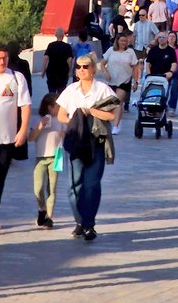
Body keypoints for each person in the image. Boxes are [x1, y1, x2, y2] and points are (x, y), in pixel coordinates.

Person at [56, 54, 118, 241]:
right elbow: (60, 115)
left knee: (91, 184)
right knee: (74, 184)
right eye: (79, 67)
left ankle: (89, 224)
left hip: (96, 141)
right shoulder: (70, 90)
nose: (82, 69)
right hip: (76, 141)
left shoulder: (102, 90)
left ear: (93, 69)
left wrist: (90, 111)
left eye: (86, 66)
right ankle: (79, 221)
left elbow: (111, 116)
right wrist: (74, 122)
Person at [0, 42, 31, 232]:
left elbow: (25, 106)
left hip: (6, 139)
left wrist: (23, 131)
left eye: (4, 58)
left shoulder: (16, 78)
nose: (2, 61)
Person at [28, 93, 64, 228]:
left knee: (52, 187)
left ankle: (49, 217)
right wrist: (40, 125)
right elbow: (30, 138)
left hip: (57, 155)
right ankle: (41, 209)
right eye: (58, 106)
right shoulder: (38, 119)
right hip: (40, 156)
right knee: (38, 188)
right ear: (49, 107)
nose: (61, 109)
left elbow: (67, 133)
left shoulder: (62, 119)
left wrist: (64, 134)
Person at [100, 33, 139, 134]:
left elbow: (135, 67)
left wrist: (136, 81)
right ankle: (116, 120)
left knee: (118, 102)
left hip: (124, 80)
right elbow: (102, 63)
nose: (123, 43)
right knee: (110, 103)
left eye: (125, 41)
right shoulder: (110, 51)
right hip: (112, 80)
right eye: (121, 41)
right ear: (117, 41)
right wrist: (105, 72)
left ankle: (116, 125)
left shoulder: (130, 52)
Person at [41, 28, 74, 94]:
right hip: (63, 72)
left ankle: (52, 103)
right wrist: (69, 71)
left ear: (55, 35)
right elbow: (70, 60)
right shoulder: (67, 46)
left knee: (51, 92)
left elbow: (45, 58)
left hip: (51, 71)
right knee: (61, 93)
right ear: (63, 35)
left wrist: (43, 71)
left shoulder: (51, 45)